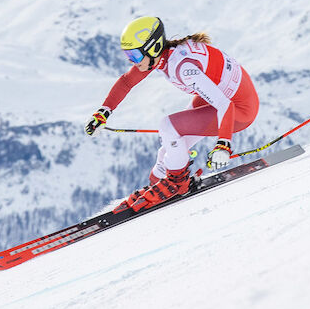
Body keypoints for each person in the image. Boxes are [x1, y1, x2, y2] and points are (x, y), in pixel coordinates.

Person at [85, 16, 259, 213]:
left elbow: (224, 105)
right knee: (167, 149)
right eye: (128, 56)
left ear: (153, 48)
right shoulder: (161, 57)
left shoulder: (183, 68)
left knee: (169, 126)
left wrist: (223, 144)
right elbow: (126, 82)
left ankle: (177, 184)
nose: (132, 61)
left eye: (134, 55)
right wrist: (103, 112)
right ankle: (160, 181)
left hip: (239, 110)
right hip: (221, 99)